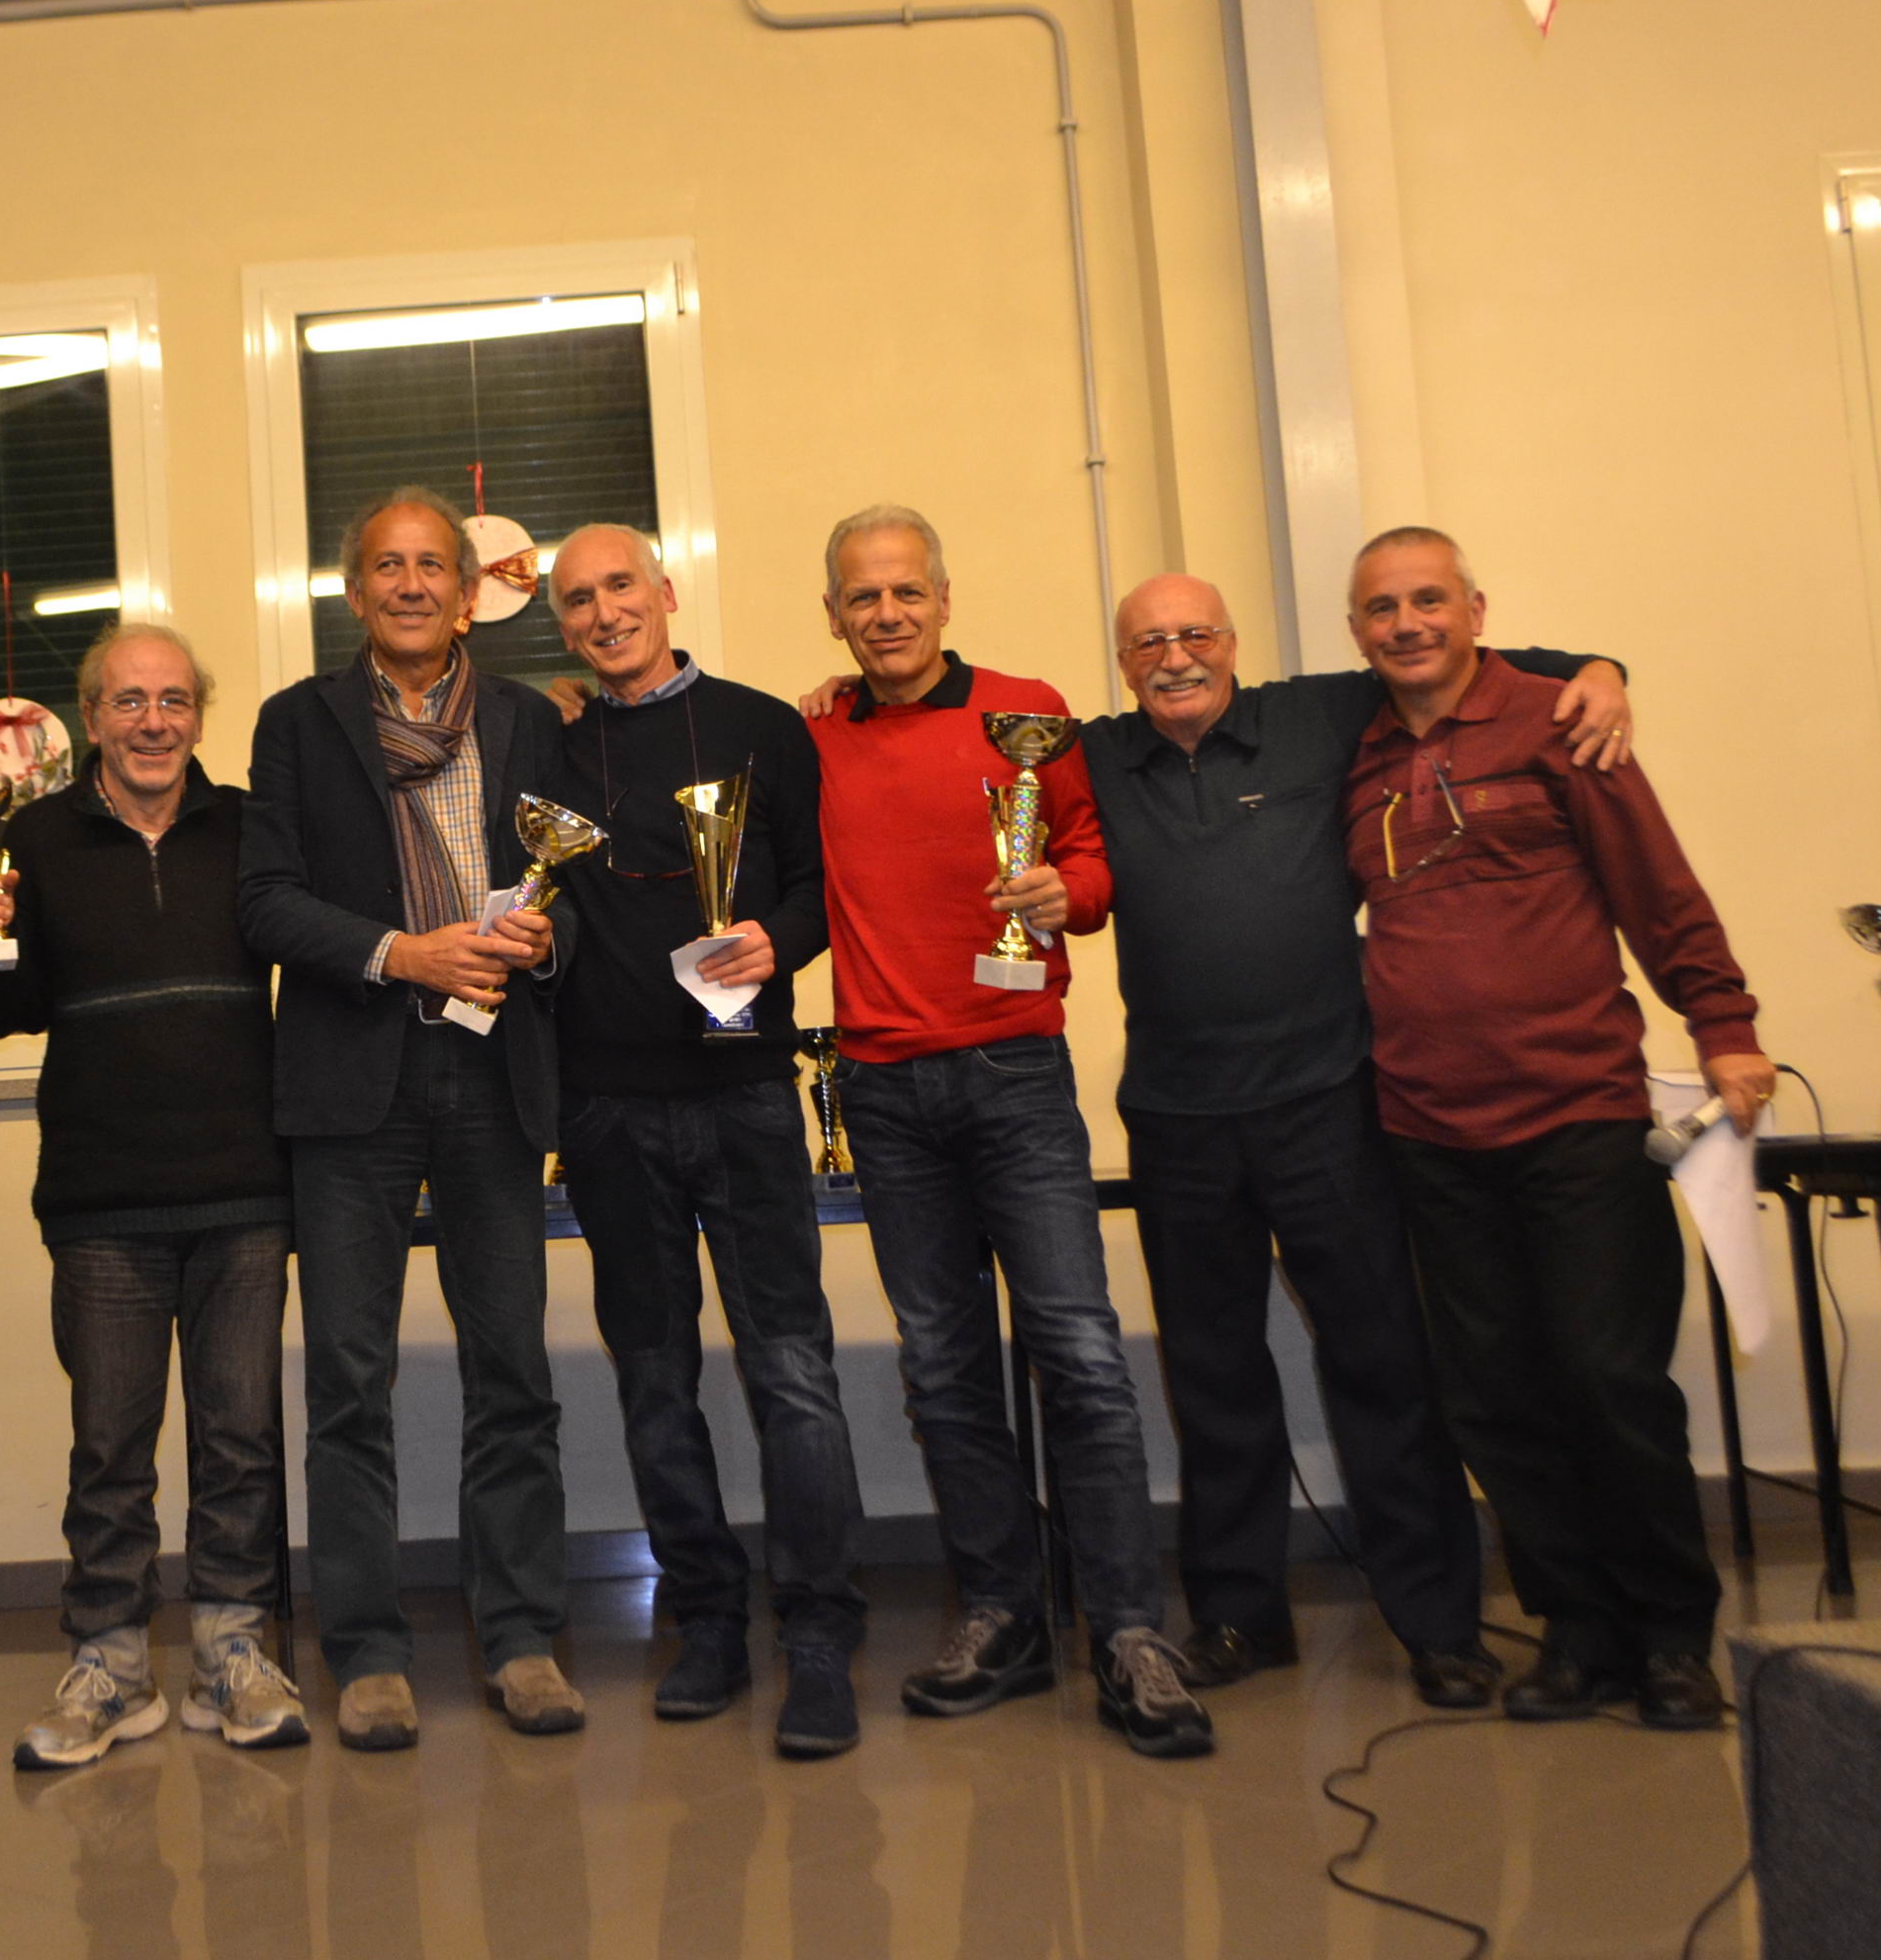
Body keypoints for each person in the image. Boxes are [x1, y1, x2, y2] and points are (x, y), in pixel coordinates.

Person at [1073, 573, 1631, 1708]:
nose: (1174, 657)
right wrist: (841, 694)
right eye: (1148, 643)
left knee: (1383, 1364)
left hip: (1326, 1101)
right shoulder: (1091, 757)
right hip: (1176, 1116)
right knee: (1212, 1377)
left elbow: (1464, 662)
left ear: (1231, 642)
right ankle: (1237, 1616)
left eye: (1194, 633)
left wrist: (1599, 670)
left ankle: (1438, 1626)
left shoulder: (1315, 714)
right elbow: (966, 740)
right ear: (1123, 664)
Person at [1341, 525, 1771, 1732]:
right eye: (1381, 608)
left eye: (1429, 599)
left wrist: (1724, 1024)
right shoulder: (1356, 756)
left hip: (1577, 1108)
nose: (1407, 624)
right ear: (1356, 631)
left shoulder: (1558, 721)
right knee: (1493, 1396)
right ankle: (1577, 1631)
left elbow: (1656, 886)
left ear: (1476, 609)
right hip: (1426, 1127)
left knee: (1606, 1376)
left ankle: (1671, 1637)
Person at [801, 503, 1209, 1758]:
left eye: (905, 591)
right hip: (883, 1089)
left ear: (943, 597)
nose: (886, 613)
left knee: (1079, 1353)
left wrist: (1060, 891)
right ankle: (1001, 1613)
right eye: (862, 597)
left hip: (1017, 1074)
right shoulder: (816, 734)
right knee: (942, 1369)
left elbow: (1092, 863)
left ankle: (1130, 1629)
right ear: (834, 616)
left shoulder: (1028, 713)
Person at [238, 487, 577, 1749]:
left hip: (495, 1078)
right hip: (352, 1085)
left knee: (513, 1371)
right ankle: (369, 1652)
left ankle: (523, 1638)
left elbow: (575, 885)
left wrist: (543, 940)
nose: (412, 584)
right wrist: (401, 953)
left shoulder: (529, 721)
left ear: (469, 590)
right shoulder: (297, 723)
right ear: (354, 589)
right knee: (347, 1378)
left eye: (433, 564)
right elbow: (265, 901)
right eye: (388, 564)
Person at [0, 621, 311, 1769]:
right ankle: (110, 1663)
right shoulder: (32, 838)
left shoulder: (250, 826)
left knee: (240, 1436)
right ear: (91, 718)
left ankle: (231, 1651)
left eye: (173, 699)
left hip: (244, 1187)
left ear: (198, 715)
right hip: (102, 1195)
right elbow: (4, 1011)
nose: (153, 721)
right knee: (109, 1444)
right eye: (128, 700)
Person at [537, 523, 870, 1757]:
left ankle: (820, 1630)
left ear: (667, 591)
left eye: (621, 585)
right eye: (578, 599)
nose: (604, 612)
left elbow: (821, 886)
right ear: (561, 625)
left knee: (791, 1369)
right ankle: (710, 1619)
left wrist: (781, 939)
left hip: (743, 1096)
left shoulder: (764, 727)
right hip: (606, 1110)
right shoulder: (549, 750)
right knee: (652, 1376)